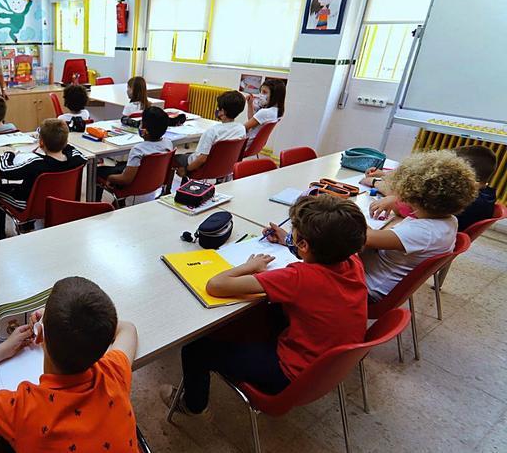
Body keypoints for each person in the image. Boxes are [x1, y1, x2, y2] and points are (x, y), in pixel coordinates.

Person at [162, 195, 368, 414]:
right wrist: (290, 241)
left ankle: (192, 405)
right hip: (327, 367)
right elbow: (312, 258)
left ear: (304, 244)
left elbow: (216, 285)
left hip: (289, 375)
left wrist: (250, 266)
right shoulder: (352, 259)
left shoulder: (300, 277)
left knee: (195, 349)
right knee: (265, 310)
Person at [0, 276, 139, 453]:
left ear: (41, 336)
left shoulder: (23, 410)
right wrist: (84, 328)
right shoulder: (115, 372)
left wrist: (2, 350)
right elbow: (127, 328)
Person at [362, 150, 478, 302]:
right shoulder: (449, 220)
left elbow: (364, 237)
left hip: (369, 288)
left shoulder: (421, 233)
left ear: (412, 196)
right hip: (380, 277)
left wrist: (347, 208)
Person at [363, 146, 498, 232]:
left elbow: (411, 202)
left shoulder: (457, 200)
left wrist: (376, 183)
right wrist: (385, 175)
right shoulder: (484, 194)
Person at [0, 118, 87, 239]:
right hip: (63, 202)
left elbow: (6, 171)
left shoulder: (36, 164)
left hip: (28, 206)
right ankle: (28, 225)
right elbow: (75, 151)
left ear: (41, 143)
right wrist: (62, 143)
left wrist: (7, 155)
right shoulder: (76, 159)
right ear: (66, 141)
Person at [97, 106, 173, 202]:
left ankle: (97, 205)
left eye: (141, 123)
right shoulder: (168, 144)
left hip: (133, 187)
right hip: (152, 184)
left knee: (97, 171)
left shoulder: (138, 150)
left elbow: (126, 179)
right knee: (120, 165)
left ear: (145, 131)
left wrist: (110, 178)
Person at [173, 90, 246, 177]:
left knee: (174, 158)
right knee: (188, 154)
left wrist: (186, 170)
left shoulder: (212, 131)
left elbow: (201, 159)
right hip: (225, 167)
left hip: (203, 168)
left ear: (222, 111)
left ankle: (168, 189)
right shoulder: (241, 129)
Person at [244, 78, 285, 147]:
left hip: (243, 143)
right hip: (254, 145)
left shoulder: (265, 112)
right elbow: (252, 120)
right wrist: (250, 104)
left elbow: (242, 128)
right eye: (261, 91)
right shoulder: (276, 111)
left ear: (275, 96)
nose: (260, 95)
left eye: (264, 92)